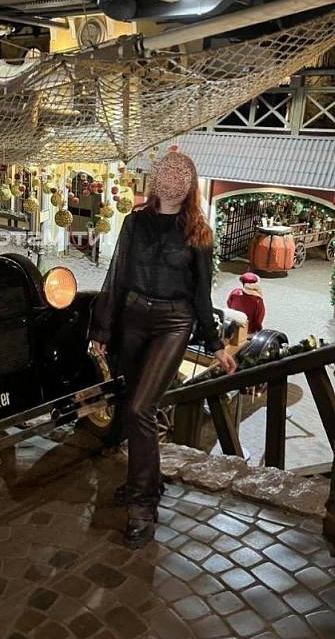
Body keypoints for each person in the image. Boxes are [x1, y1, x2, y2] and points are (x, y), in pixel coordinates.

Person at [89, 151, 237, 549]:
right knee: (131, 405)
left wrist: (215, 345)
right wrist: (103, 326)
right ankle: (147, 481)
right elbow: (117, 276)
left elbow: (201, 295)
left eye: (178, 177)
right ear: (156, 181)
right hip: (133, 319)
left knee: (141, 408)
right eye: (165, 175)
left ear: (188, 186)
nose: (171, 183)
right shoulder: (135, 222)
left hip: (173, 323)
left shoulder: (198, 234)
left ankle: (142, 505)